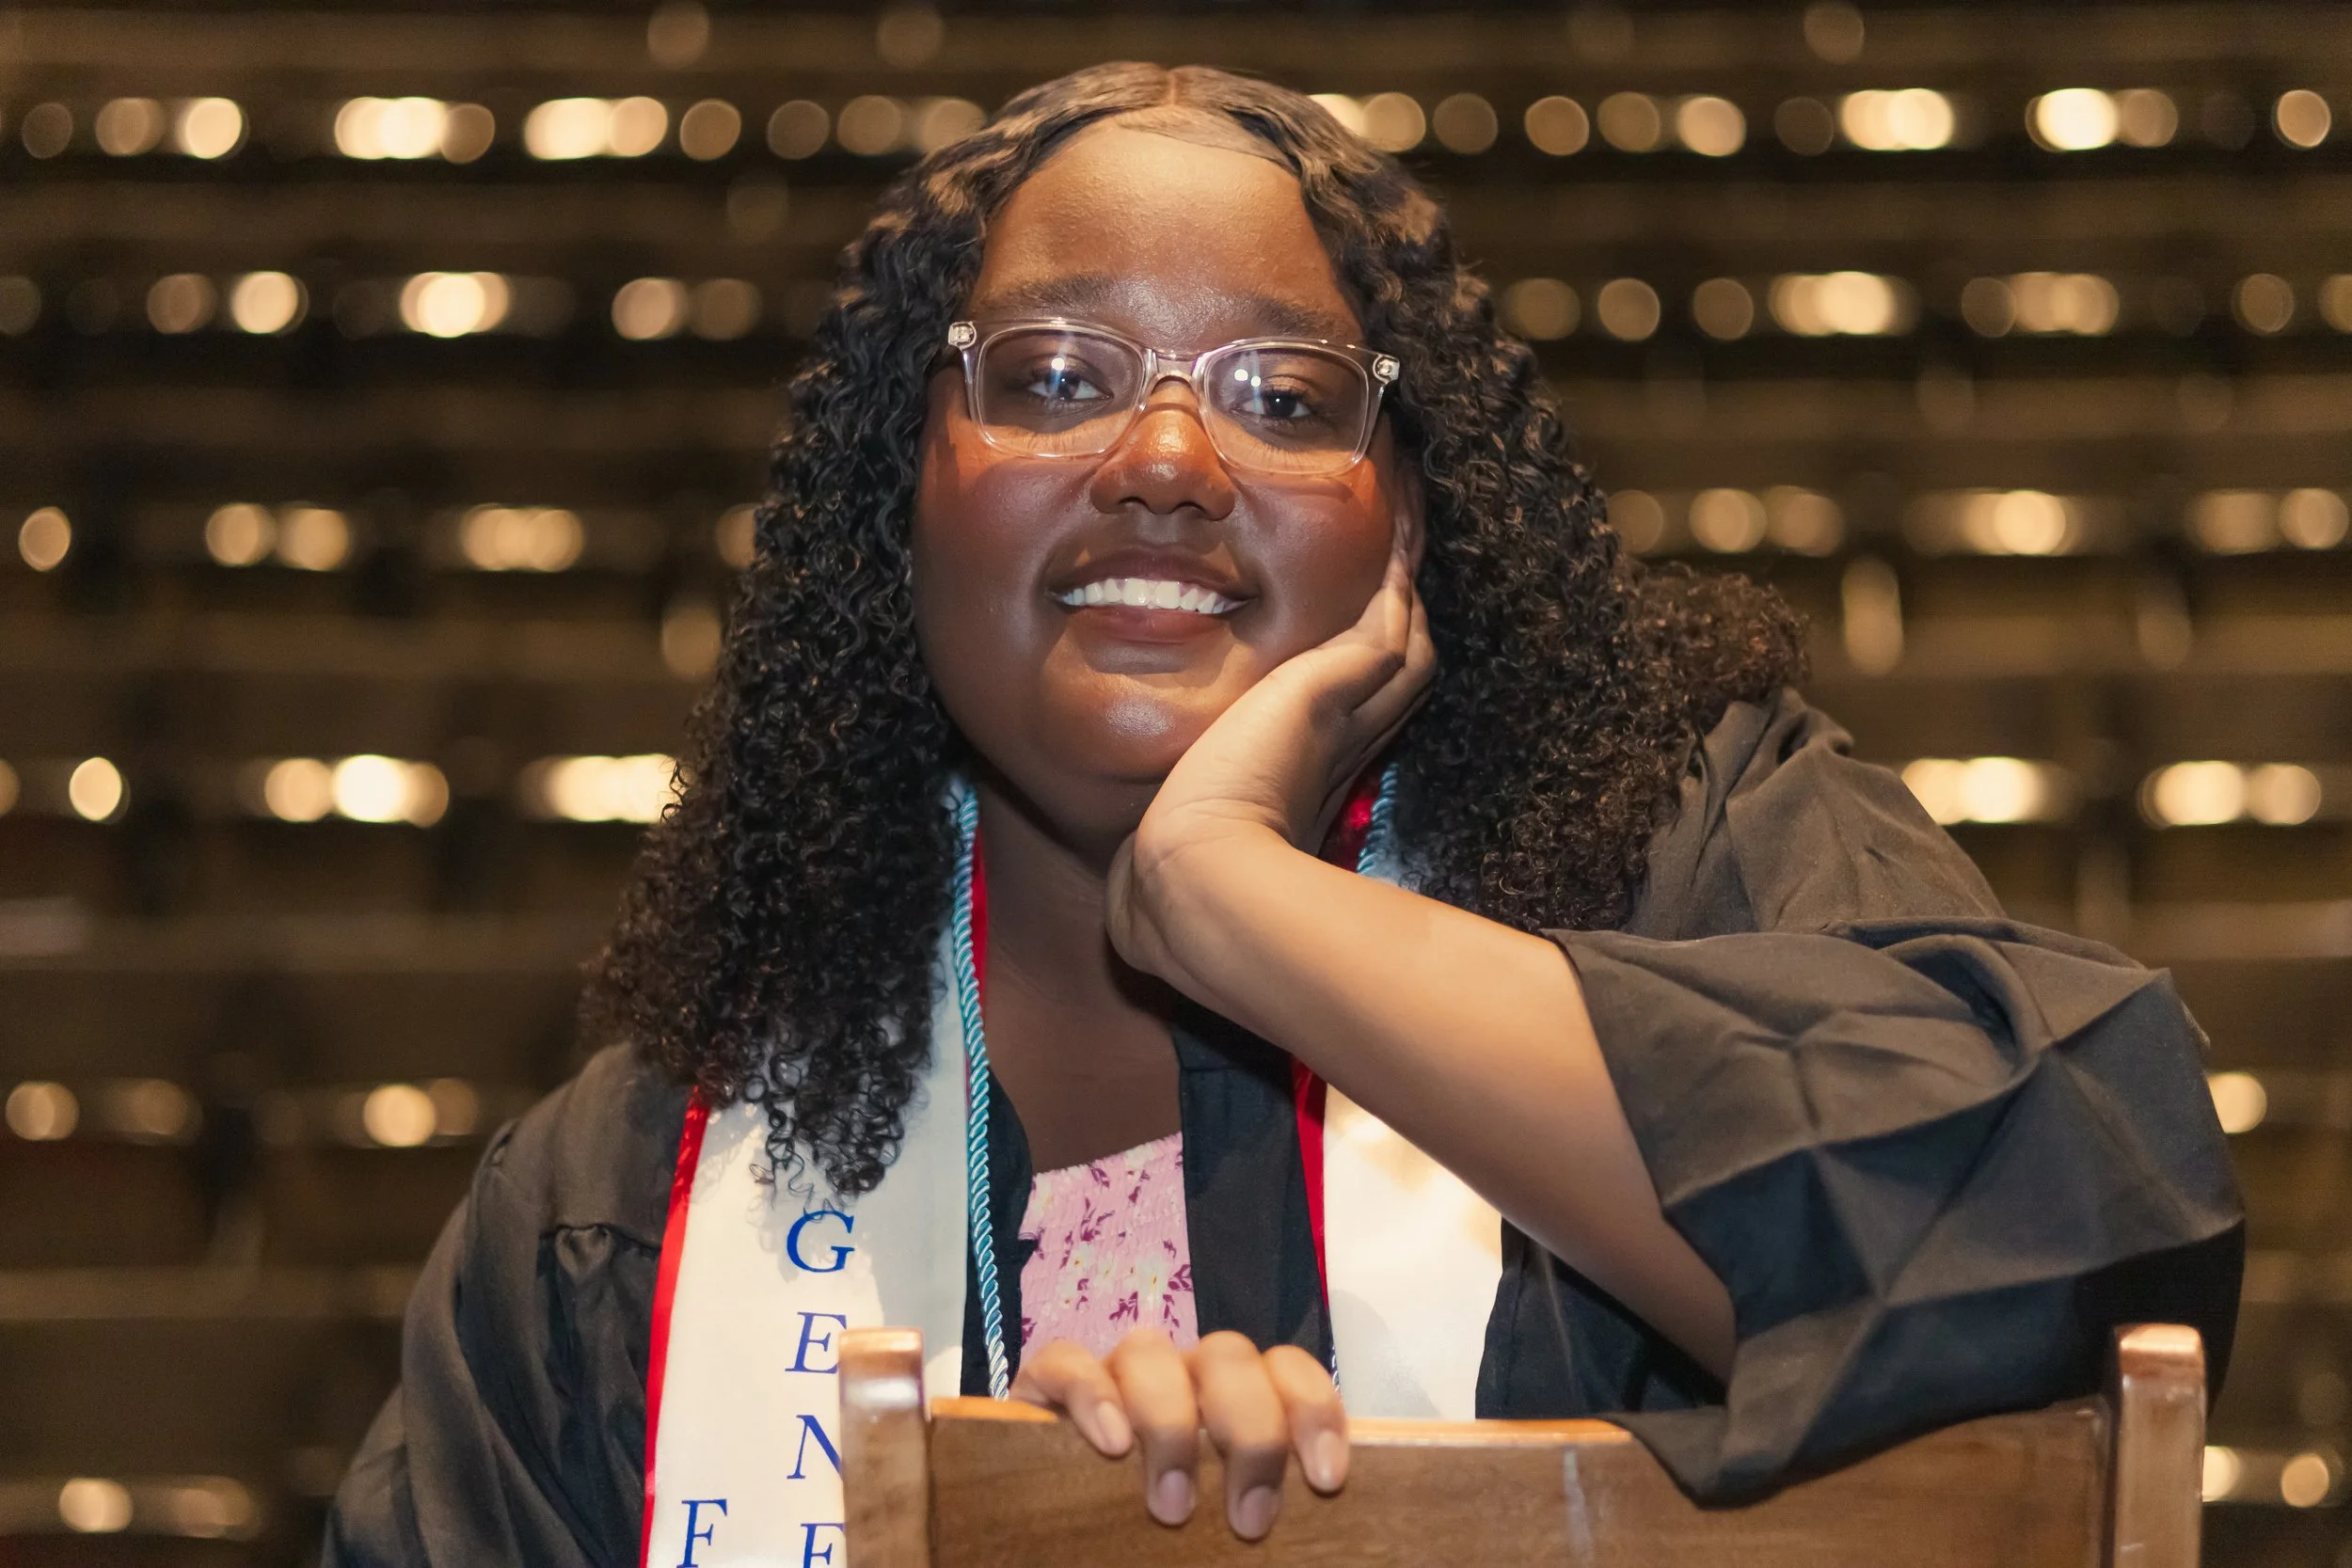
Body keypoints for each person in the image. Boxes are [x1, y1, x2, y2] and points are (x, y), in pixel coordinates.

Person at [324, 63, 2242, 1567]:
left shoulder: (1688, 856)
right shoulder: (632, 1217)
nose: (1163, 461)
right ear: (895, 495)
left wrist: (1236, 902)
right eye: (1055, 375)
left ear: (1406, 508)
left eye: (1282, 391)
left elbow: (2083, 1226)